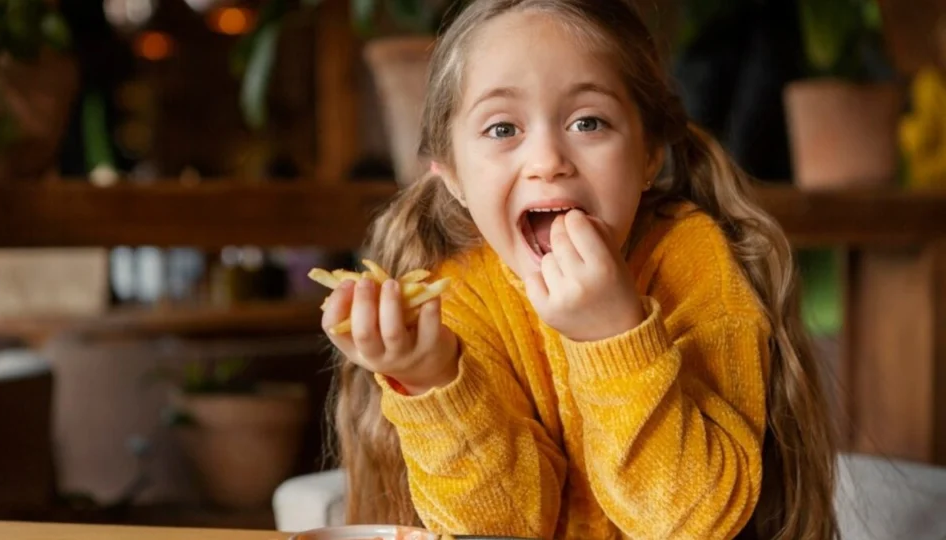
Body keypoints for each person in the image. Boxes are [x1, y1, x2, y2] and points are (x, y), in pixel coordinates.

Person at [321, 1, 838, 538]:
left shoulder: (692, 260)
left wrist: (614, 336)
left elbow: (696, 522)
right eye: (502, 128)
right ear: (452, 176)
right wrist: (432, 378)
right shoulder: (457, 296)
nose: (548, 161)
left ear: (648, 155)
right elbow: (503, 527)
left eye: (588, 122)